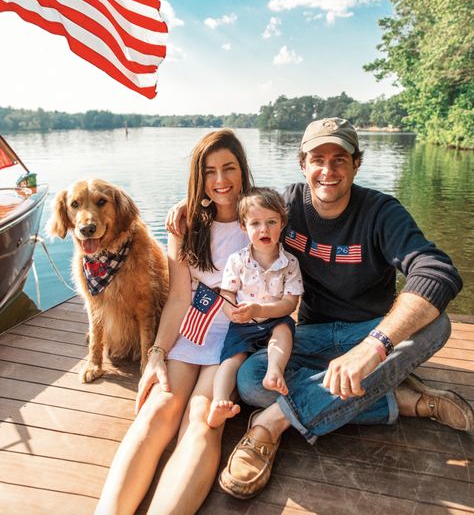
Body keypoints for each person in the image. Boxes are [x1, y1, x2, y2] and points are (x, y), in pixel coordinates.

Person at [215, 117, 472, 499]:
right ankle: (400, 399)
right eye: (318, 158)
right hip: (311, 334)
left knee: (437, 325)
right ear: (303, 164)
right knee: (251, 380)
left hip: (368, 331)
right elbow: (234, 207)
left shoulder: (381, 212)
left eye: (340, 158)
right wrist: (190, 212)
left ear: (357, 163)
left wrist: (374, 347)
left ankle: (271, 424)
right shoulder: (285, 207)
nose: (328, 170)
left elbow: (437, 271)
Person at [95, 129, 253, 515]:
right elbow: (180, 297)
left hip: (235, 335)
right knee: (159, 408)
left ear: (243, 170)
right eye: (209, 171)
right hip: (194, 330)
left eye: (228, 168)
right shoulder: (185, 224)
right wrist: (156, 353)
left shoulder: (262, 217)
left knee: (201, 419)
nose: (220, 181)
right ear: (198, 177)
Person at [207, 187, 304, 429]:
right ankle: (218, 402)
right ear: (244, 227)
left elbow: (290, 304)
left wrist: (260, 310)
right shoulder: (237, 260)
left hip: (273, 319)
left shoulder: (290, 263)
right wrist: (232, 312)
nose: (264, 229)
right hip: (244, 323)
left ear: (282, 223)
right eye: (256, 223)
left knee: (283, 333)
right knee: (231, 360)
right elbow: (227, 293)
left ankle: (274, 371)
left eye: (271, 222)